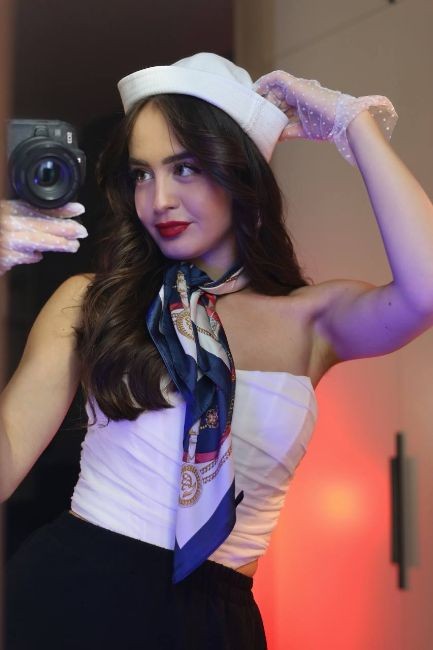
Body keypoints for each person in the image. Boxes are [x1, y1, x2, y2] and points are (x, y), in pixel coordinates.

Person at [2, 52, 433, 649]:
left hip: (215, 622)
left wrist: (351, 122)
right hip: (71, 595)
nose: (159, 199)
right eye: (142, 174)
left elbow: (425, 290)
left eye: (184, 168)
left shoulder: (311, 320)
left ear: (239, 172)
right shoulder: (92, 302)